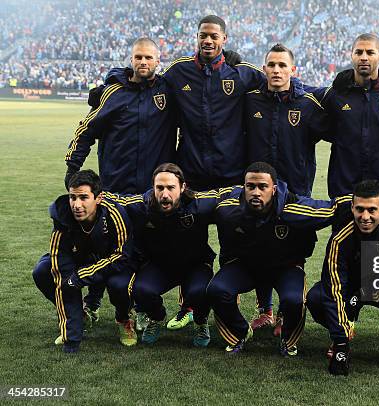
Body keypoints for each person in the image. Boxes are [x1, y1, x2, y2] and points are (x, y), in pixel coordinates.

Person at [64, 37, 181, 331]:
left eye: (149, 58)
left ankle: (139, 307)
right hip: (114, 188)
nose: (143, 62)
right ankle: (92, 303)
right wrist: (72, 167)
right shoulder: (113, 92)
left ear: (158, 61)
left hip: (149, 194)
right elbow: (86, 130)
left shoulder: (168, 90)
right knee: (105, 245)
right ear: (131, 59)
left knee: (143, 247)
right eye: (138, 57)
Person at [206, 162, 344, 356]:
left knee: (294, 300)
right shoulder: (228, 205)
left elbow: (333, 208)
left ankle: (288, 339)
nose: (256, 192)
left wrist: (375, 206)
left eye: (263, 187)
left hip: (285, 267)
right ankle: (240, 333)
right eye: (250, 186)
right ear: (243, 186)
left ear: (274, 189)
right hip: (245, 266)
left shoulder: (293, 206)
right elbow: (197, 201)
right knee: (216, 290)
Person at [244, 43, 330, 334]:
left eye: (283, 65)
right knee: (258, 248)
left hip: (295, 193)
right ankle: (265, 309)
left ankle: (284, 311)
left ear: (293, 70)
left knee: (294, 249)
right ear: (264, 68)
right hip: (258, 193)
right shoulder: (251, 101)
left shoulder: (307, 104)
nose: (277, 70)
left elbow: (333, 129)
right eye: (272, 65)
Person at [306, 180, 379, 376]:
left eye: (372, 210)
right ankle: (342, 332)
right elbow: (334, 288)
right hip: (349, 287)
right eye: (360, 209)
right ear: (352, 207)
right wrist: (341, 342)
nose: (365, 217)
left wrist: (365, 293)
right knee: (316, 298)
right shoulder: (340, 237)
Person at [107, 163, 217, 347]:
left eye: (171, 188)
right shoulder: (143, 206)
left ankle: (200, 321)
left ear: (182, 187)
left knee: (201, 291)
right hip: (160, 266)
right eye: (160, 188)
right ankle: (157, 317)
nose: (165, 194)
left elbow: (226, 195)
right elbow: (117, 200)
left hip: (195, 266)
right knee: (141, 290)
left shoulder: (199, 204)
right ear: (153, 188)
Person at [32, 170, 137, 353]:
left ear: (98, 198)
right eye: (73, 197)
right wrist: (71, 339)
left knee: (119, 285)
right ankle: (80, 316)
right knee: (42, 271)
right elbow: (61, 273)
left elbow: (122, 256)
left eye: (83, 197)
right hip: (78, 258)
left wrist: (82, 275)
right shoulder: (61, 216)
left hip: (113, 261)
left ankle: (124, 319)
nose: (76, 205)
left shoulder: (114, 213)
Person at [161, 15, 265, 191]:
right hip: (191, 171)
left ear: (224, 39)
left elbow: (279, 82)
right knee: (189, 218)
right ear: (197, 37)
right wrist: (115, 80)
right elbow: (148, 83)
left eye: (214, 36)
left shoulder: (241, 72)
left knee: (229, 217)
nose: (208, 41)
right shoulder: (179, 70)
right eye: (203, 36)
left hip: (231, 172)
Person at [313, 33, 379, 200]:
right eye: (359, 52)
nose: (363, 57)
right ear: (351, 55)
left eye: (370, 52)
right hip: (344, 188)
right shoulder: (335, 95)